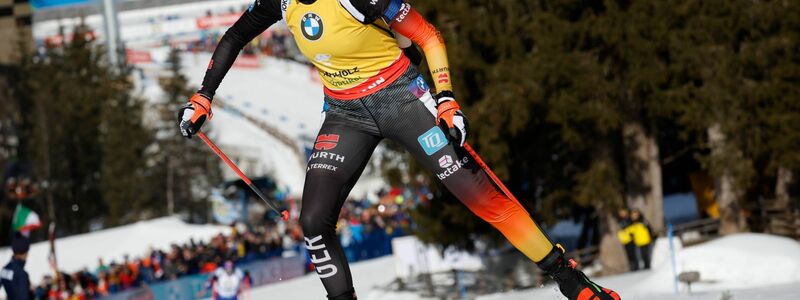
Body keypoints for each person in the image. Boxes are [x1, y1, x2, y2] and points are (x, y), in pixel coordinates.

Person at [178, 1, 620, 299]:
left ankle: (573, 284)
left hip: (403, 98)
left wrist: (446, 99)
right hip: (345, 113)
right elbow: (235, 36)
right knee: (313, 222)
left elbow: (428, 35)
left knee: (481, 198)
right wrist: (204, 96)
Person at [1, 235, 34, 300]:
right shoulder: (22, 274)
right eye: (27, 252)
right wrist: (31, 293)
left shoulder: (5, 269)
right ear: (24, 253)